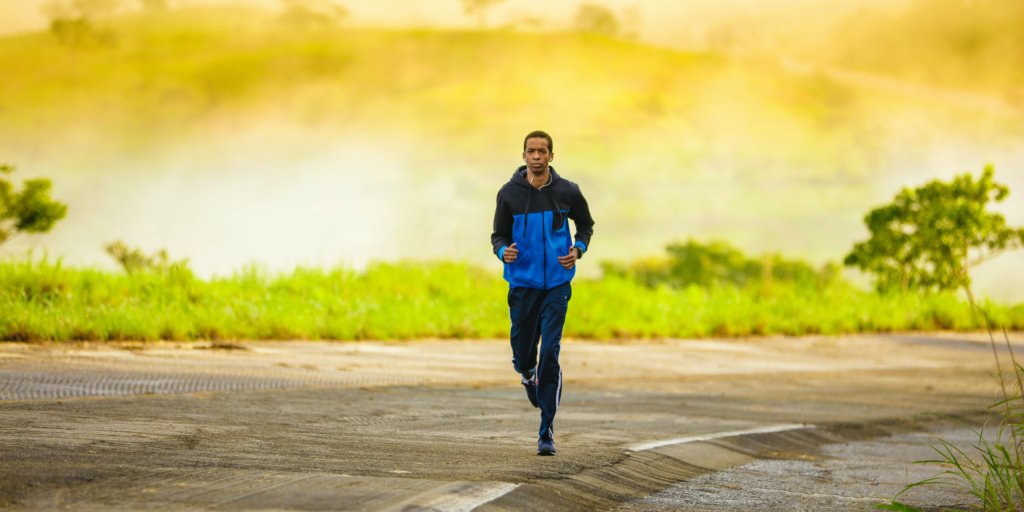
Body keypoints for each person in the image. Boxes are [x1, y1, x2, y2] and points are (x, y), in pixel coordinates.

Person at [490, 130, 595, 456]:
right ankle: (527, 374)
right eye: (531, 151)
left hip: (557, 285)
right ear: (523, 156)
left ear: (551, 156)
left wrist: (577, 249)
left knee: (550, 350)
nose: (536, 156)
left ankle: (546, 429)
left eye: (542, 151)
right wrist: (502, 251)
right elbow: (497, 235)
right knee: (524, 355)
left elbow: (586, 226)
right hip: (523, 284)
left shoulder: (567, 191)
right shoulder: (509, 194)